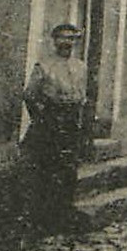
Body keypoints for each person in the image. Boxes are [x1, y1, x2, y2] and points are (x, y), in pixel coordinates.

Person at [18, 23, 88, 239]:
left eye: (71, 39)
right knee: (46, 173)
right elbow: (30, 95)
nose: (67, 43)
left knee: (67, 173)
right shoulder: (44, 66)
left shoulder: (80, 67)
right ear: (54, 41)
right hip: (49, 126)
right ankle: (41, 221)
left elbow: (81, 97)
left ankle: (62, 218)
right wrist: (41, 119)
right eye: (62, 38)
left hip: (70, 126)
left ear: (75, 43)